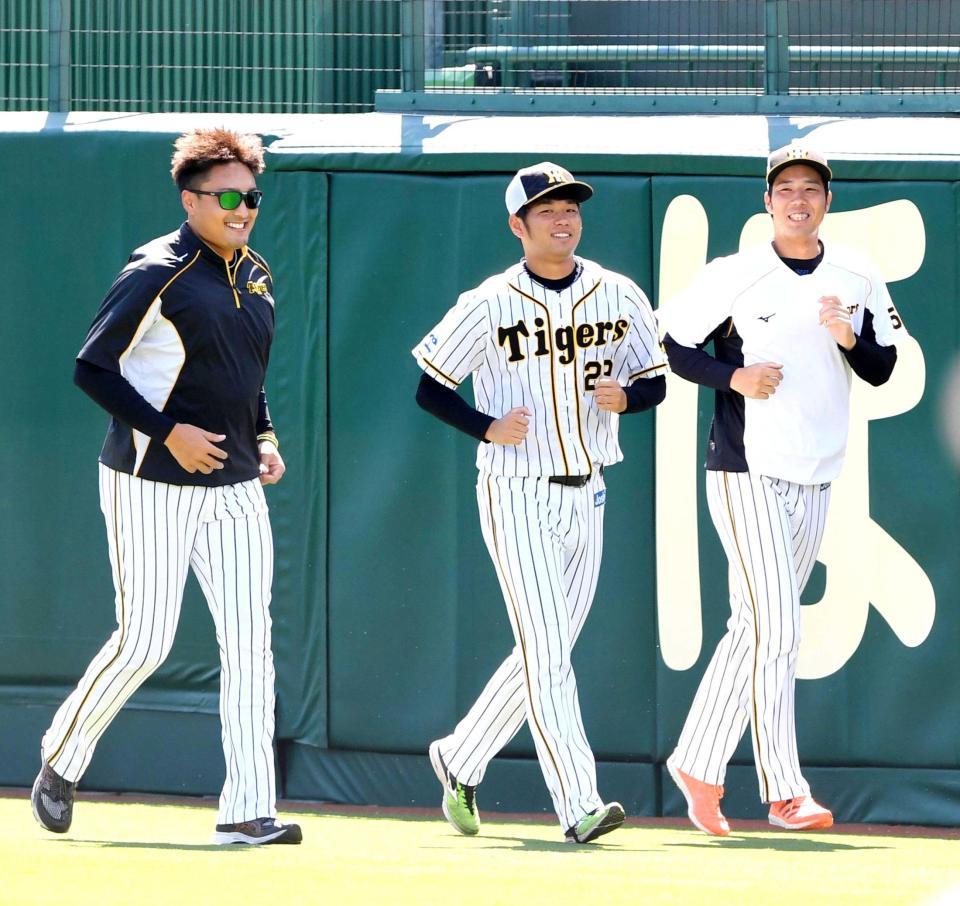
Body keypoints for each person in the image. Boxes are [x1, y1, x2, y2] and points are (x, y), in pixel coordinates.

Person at [30, 127, 301, 845]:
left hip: (236, 483)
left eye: (252, 194)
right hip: (151, 480)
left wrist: (264, 435)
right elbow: (92, 367)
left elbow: (245, 377)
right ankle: (63, 754)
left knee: (251, 642)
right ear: (192, 200)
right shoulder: (156, 270)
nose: (244, 208)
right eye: (229, 196)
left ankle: (247, 809)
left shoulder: (257, 272)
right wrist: (167, 429)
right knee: (147, 638)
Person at [412, 162, 668, 843]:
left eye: (571, 207)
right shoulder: (488, 302)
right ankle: (578, 804)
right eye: (547, 209)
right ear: (517, 226)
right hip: (516, 488)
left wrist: (630, 398)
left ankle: (460, 756)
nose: (563, 218)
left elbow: (656, 382)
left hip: (591, 491)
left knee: (543, 652)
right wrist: (485, 426)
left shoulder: (618, 293)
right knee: (548, 651)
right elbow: (431, 386)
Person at [659, 145, 906, 835]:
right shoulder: (737, 273)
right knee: (781, 627)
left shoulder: (857, 274)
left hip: (818, 466)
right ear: (767, 202)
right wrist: (732, 378)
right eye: (786, 189)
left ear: (829, 200)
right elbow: (672, 344)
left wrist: (847, 335)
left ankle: (697, 760)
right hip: (747, 466)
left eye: (812, 189)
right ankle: (783, 790)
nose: (799, 199)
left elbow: (882, 367)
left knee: (754, 627)